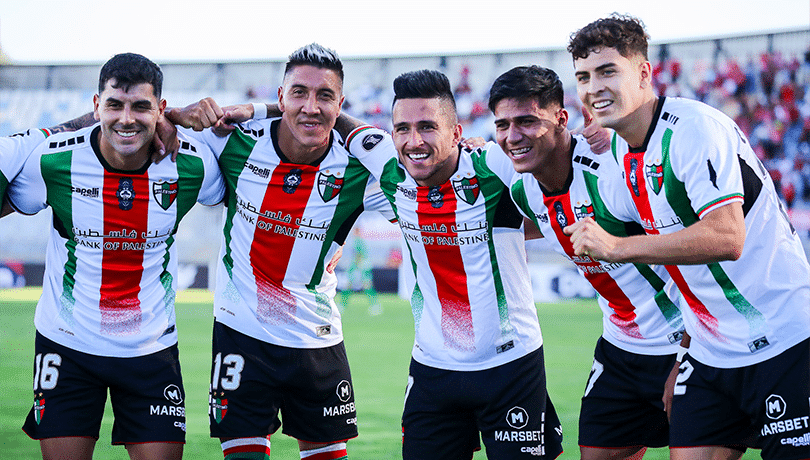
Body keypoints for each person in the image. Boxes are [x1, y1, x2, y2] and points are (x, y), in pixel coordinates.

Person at [565, 14, 810, 460]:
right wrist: (685, 347)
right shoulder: (618, 147)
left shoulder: (694, 129)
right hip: (710, 354)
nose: (593, 87)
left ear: (644, 73)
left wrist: (617, 247)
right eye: (583, 77)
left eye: (606, 71)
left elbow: (726, 237)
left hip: (785, 338)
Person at [165, 43, 391, 460]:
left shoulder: (359, 168)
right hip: (241, 332)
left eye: (325, 97)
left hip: (317, 337)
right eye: (299, 93)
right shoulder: (233, 141)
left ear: (340, 104)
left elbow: (422, 172)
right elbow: (151, 123)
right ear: (281, 96)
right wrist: (181, 116)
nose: (311, 107)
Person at [5, 52, 225, 460]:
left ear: (160, 109)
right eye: (114, 105)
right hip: (66, 344)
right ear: (96, 106)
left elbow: (254, 184)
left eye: (141, 107)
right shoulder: (53, 160)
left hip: (151, 350)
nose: (127, 118)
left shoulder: (193, 163)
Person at [341, 69, 563, 460]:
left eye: (428, 127)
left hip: (510, 365)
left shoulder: (494, 166)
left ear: (457, 133)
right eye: (403, 129)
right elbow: (339, 121)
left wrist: (602, 139)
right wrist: (267, 107)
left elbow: (559, 191)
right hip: (432, 369)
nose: (414, 141)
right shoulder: (392, 173)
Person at [487, 64, 690, 460]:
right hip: (619, 348)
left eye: (527, 121)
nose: (513, 136)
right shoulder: (522, 186)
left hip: (682, 342)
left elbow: (694, 257)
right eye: (503, 124)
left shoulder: (614, 168)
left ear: (563, 119)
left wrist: (687, 353)